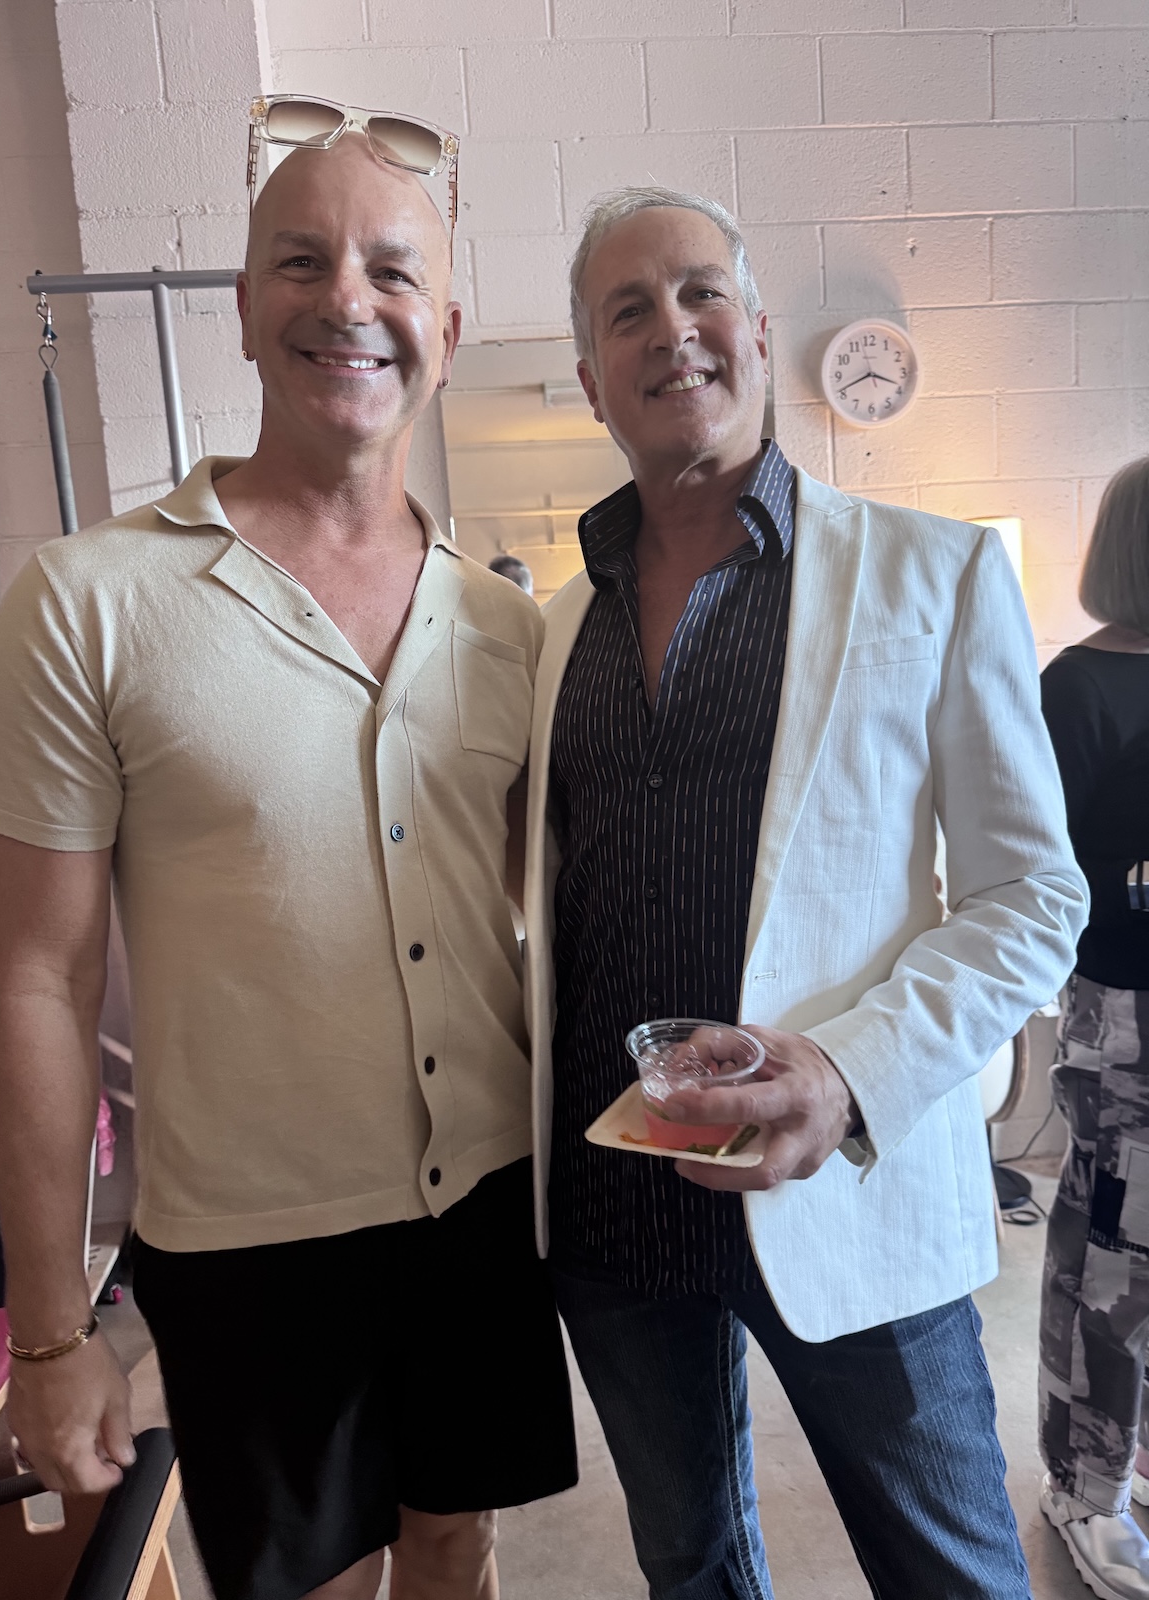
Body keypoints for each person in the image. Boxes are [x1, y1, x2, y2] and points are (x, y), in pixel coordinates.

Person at [0, 119, 575, 1600]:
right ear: (244, 309)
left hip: (483, 1202)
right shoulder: (89, 601)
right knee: (308, 1583)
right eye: (301, 263)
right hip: (251, 1240)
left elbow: (535, 925)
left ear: (444, 331)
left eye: (392, 271)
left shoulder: (508, 627)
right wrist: (49, 1336)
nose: (346, 300)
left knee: (458, 1544)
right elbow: (40, 981)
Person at [521, 186, 1088, 1600]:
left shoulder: (935, 573)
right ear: (591, 378)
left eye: (701, 292)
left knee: (956, 1574)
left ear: (761, 332)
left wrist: (846, 1072)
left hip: (847, 1173)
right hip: (616, 1199)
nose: (673, 330)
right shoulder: (552, 628)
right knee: (692, 1568)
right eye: (629, 311)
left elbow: (1032, 895)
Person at [1037, 456, 1149, 1600]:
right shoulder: (1076, 688)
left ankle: (1130, 1459)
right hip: (1123, 1018)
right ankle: (1087, 1482)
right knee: (1114, 1261)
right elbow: (1049, 877)